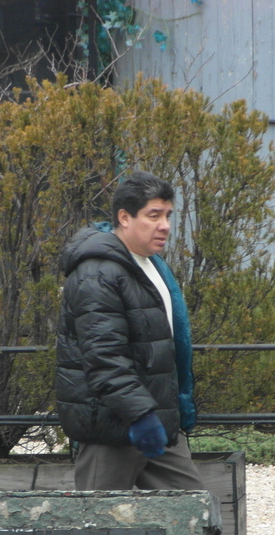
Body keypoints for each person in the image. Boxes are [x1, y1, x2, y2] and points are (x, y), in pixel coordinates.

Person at [55, 171, 205, 491]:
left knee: (196, 519)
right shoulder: (97, 272)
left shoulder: (151, 265)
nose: (164, 225)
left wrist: (164, 414)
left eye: (167, 215)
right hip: (112, 430)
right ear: (124, 217)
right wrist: (140, 416)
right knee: (97, 531)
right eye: (153, 215)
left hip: (158, 424)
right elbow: (104, 356)